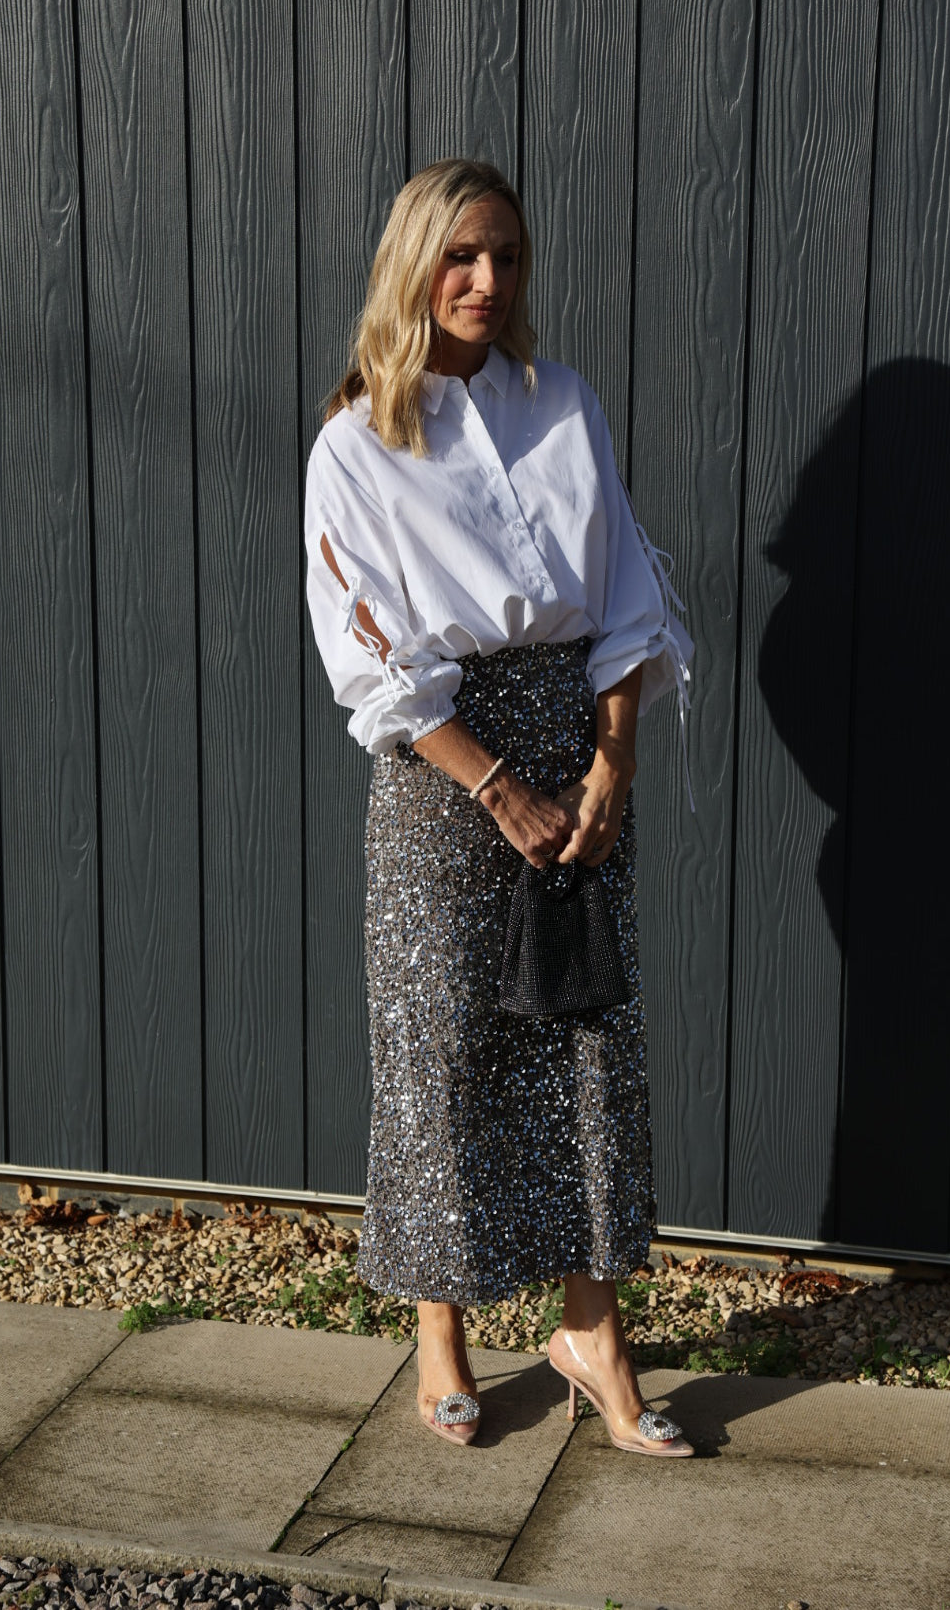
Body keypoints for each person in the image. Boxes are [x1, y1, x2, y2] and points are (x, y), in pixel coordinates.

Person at [304, 159, 695, 1457]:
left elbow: (626, 595)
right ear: (412, 263)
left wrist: (614, 761)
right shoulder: (359, 441)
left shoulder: (562, 404)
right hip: (446, 773)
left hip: (580, 763)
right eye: (462, 256)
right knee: (444, 1048)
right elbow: (370, 656)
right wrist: (497, 784)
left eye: (509, 258)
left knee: (589, 1041)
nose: (486, 282)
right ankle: (443, 1329)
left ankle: (592, 1327)